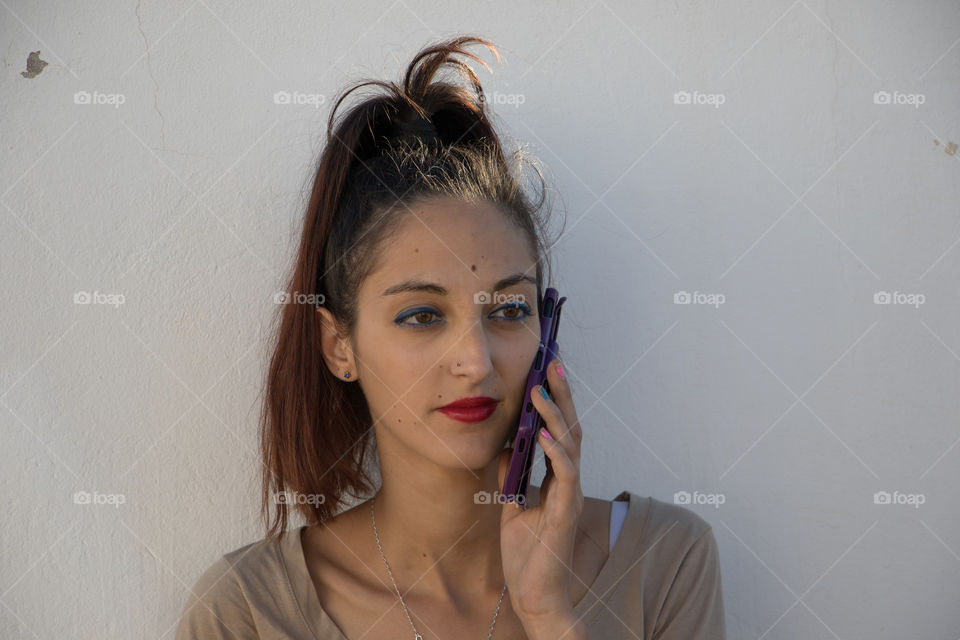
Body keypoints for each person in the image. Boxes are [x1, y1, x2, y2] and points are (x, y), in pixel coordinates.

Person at [175, 35, 726, 639]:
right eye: (422, 315)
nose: (475, 359)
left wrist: (549, 617)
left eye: (510, 309)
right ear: (340, 346)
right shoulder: (250, 612)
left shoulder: (664, 562)